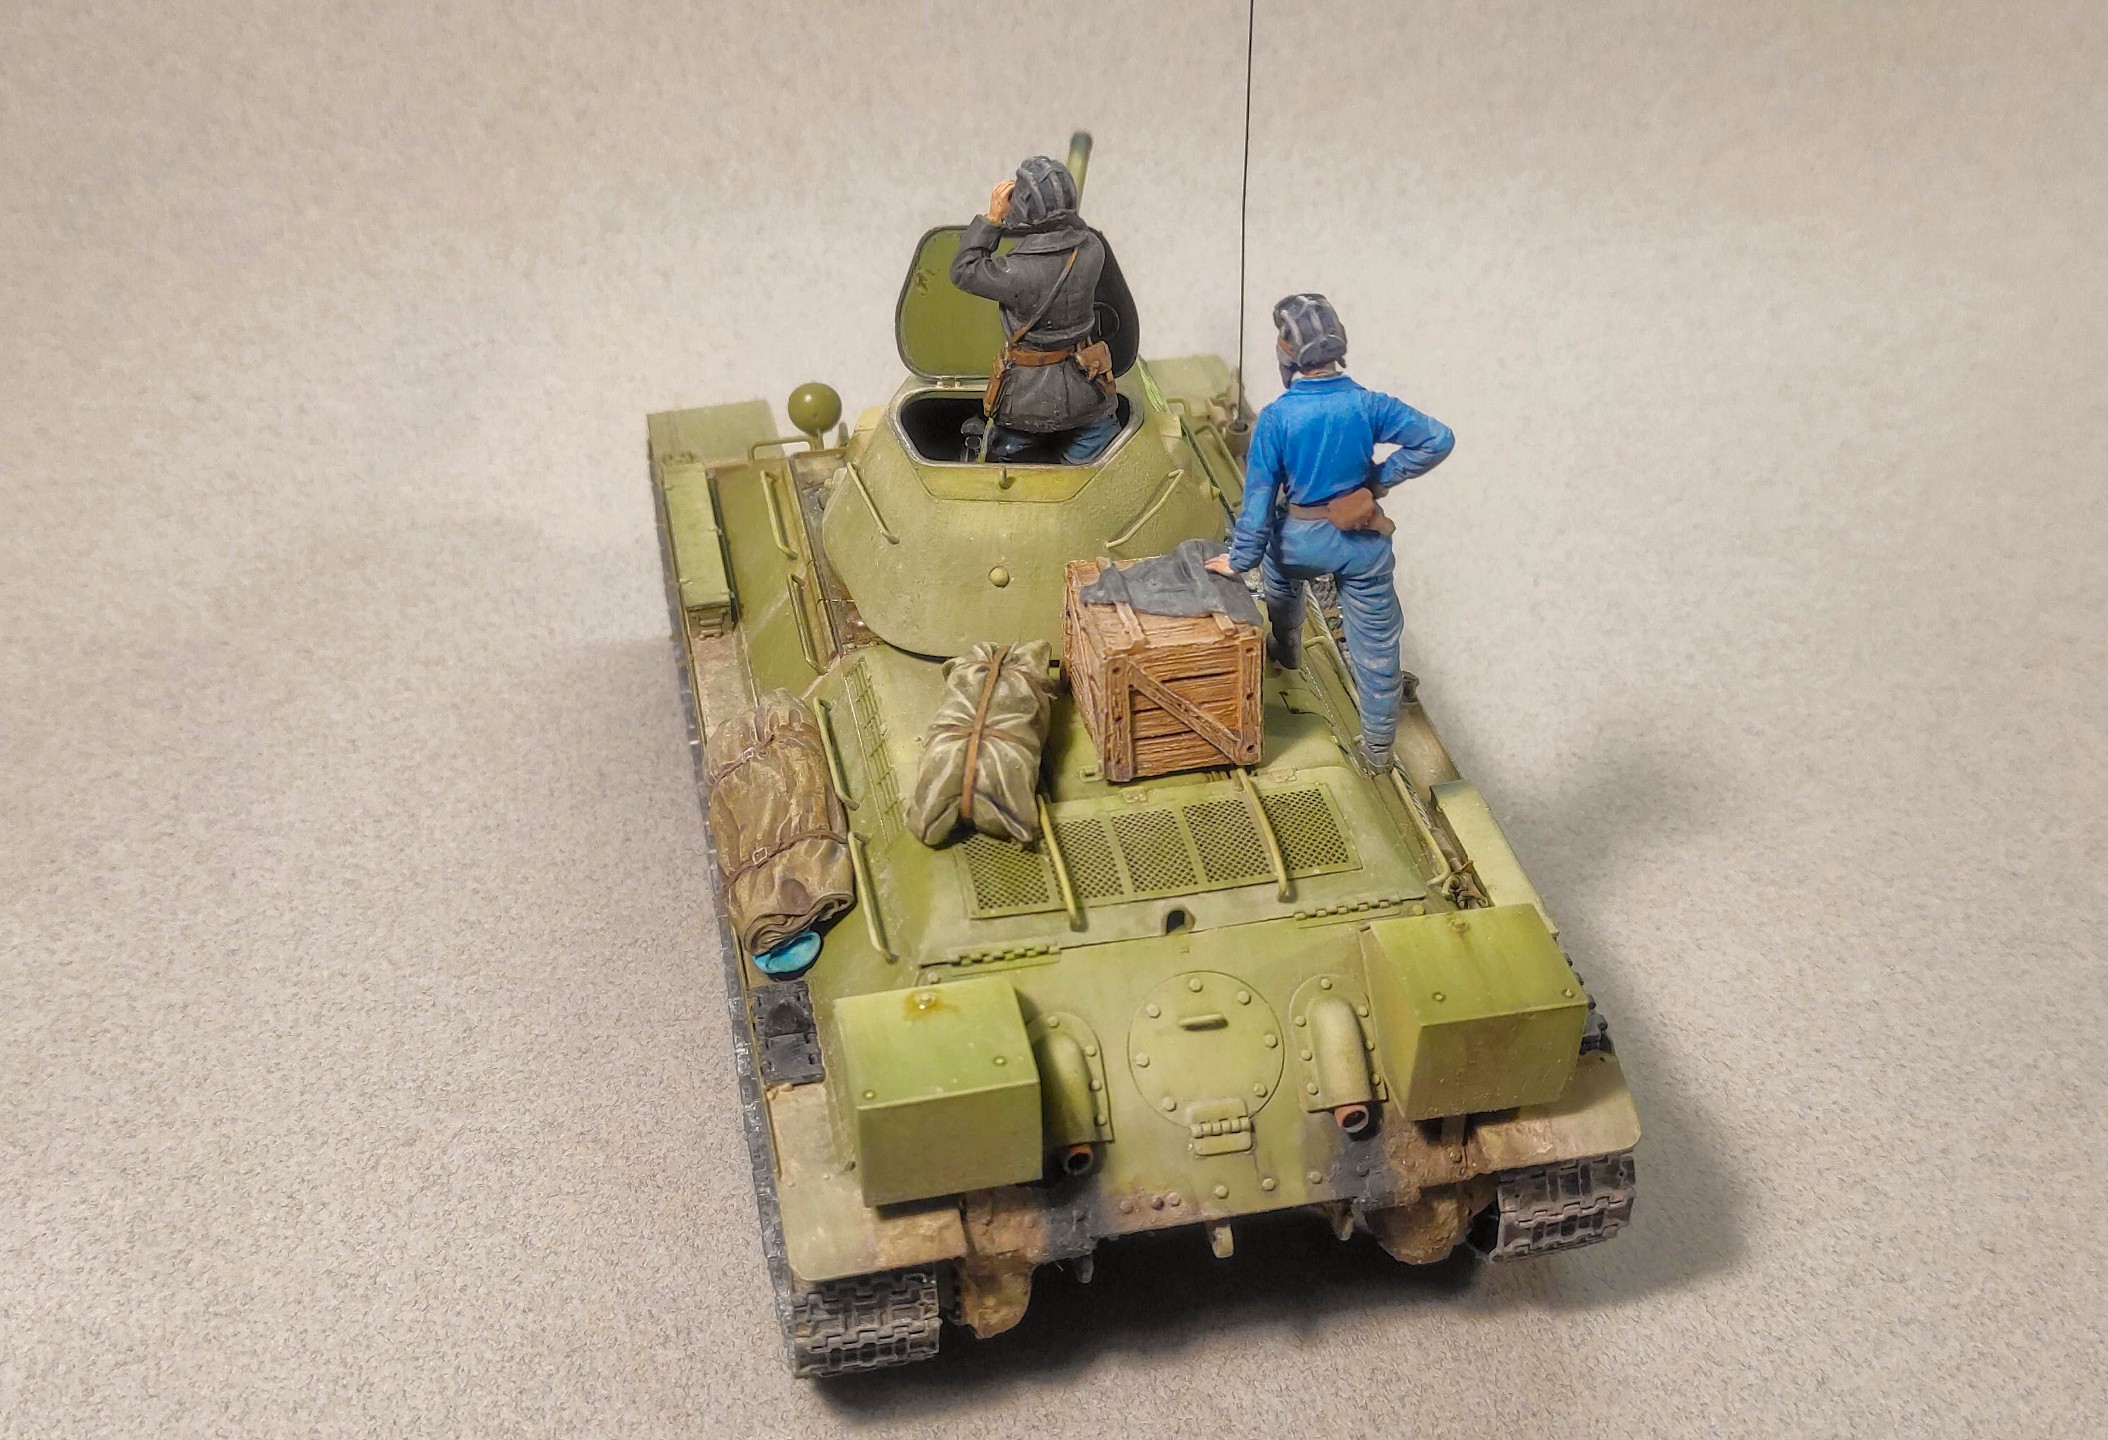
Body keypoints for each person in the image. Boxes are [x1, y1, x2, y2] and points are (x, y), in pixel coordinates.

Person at [1205, 294, 1455, 772]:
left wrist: (1239, 559)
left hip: (1298, 542)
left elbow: (1258, 502)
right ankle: (1377, 752)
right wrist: (1377, 481)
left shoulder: (1277, 418)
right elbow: (1437, 438)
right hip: (1360, 544)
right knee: (1377, 649)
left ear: (1288, 352)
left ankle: (1287, 649)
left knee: (1280, 576)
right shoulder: (1368, 404)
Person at [949, 155, 1127, 464]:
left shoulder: (1015, 271)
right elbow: (1078, 232)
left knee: (1007, 456)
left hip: (1027, 398)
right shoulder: (1092, 249)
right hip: (1086, 383)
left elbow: (963, 270)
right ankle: (1073, 471)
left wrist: (993, 218)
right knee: (1096, 439)